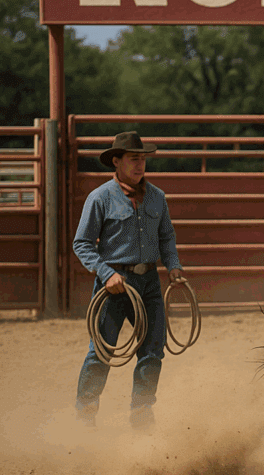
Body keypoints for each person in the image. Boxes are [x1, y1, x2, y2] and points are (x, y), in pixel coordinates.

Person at [72, 131, 184, 430]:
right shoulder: (100, 198)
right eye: (134, 159)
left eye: (143, 159)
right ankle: (86, 412)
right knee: (102, 350)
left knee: (153, 349)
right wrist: (106, 274)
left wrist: (173, 266)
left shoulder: (157, 197)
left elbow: (167, 236)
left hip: (149, 282)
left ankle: (141, 412)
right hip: (114, 286)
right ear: (117, 162)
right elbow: (82, 244)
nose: (139, 165)